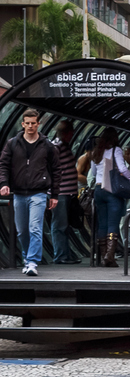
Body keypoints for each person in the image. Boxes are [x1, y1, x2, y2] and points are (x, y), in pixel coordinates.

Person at [0, 110, 59, 275]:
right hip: (18, 193)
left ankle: (32, 262)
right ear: (23, 124)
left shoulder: (47, 146)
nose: (31, 126)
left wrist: (54, 195)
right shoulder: (13, 143)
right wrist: (4, 184)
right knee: (22, 230)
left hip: (39, 193)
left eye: (34, 123)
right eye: (28, 123)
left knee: (35, 227)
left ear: (38, 124)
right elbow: (3, 164)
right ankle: (27, 258)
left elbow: (56, 170)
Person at [89, 128, 130, 268]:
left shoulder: (96, 152)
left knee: (102, 224)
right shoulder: (116, 150)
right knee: (113, 224)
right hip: (111, 190)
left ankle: (104, 255)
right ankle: (109, 256)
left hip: (98, 190)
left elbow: (93, 172)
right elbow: (122, 168)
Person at [48, 119, 79, 264]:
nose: (72, 136)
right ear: (65, 133)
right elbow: (50, 168)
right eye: (70, 133)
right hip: (60, 193)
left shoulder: (65, 146)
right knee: (59, 225)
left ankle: (66, 254)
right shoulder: (56, 146)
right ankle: (60, 256)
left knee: (64, 225)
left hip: (67, 193)